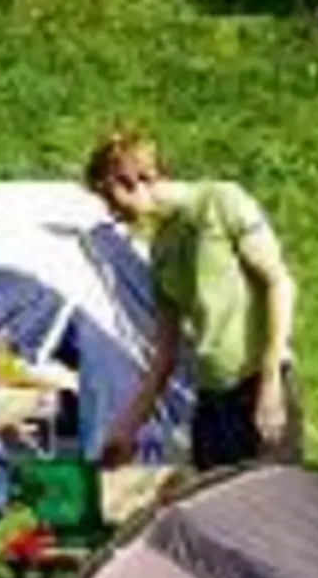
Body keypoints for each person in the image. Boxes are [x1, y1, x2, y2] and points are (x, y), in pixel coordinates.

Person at [87, 128, 305, 473]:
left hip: (258, 383)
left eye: (111, 199)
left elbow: (280, 283)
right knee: (215, 517)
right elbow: (165, 357)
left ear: (132, 179)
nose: (114, 214)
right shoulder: (159, 251)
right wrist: (126, 427)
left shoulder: (222, 202)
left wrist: (271, 381)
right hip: (211, 399)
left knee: (272, 513)